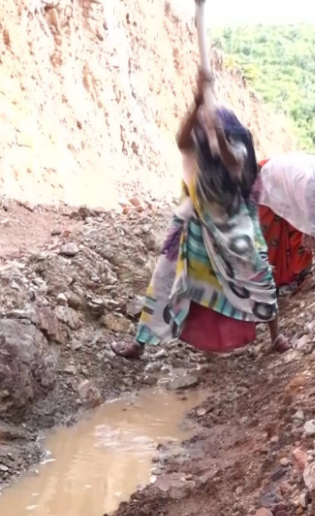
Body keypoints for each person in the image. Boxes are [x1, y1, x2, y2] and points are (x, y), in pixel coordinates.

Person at [113, 70, 288, 359]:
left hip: (234, 221)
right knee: (165, 277)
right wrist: (197, 105)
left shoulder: (238, 139)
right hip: (195, 216)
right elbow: (182, 143)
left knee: (258, 273)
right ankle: (140, 343)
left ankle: (276, 335)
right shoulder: (196, 140)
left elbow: (235, 166)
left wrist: (219, 135)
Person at [254, 153, 315, 295]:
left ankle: (300, 276)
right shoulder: (309, 184)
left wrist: (309, 231)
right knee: (272, 236)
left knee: (299, 231)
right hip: (267, 182)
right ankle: (268, 284)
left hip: (287, 186)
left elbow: (312, 219)